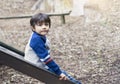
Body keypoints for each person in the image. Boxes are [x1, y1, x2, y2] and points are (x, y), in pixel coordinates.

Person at [24, 13, 81, 84]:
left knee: (64, 74)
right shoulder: (36, 40)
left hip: (39, 64)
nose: (44, 27)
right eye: (40, 25)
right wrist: (58, 72)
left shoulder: (38, 36)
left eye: (46, 24)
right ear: (33, 28)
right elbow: (45, 58)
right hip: (36, 67)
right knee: (64, 77)